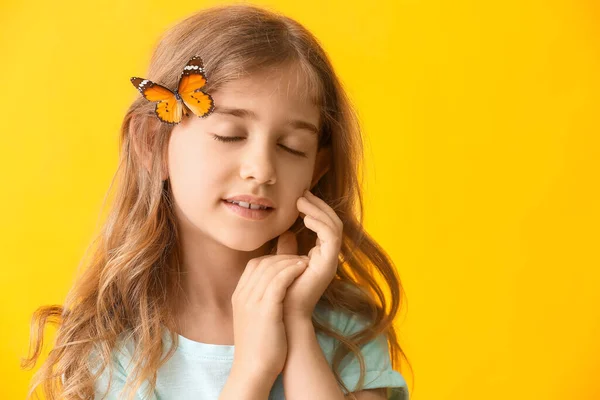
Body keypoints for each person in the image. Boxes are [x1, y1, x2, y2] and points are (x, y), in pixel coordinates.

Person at [22, 4, 412, 400]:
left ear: (317, 169)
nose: (261, 170)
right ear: (152, 144)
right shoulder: (110, 347)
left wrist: (297, 324)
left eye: (291, 147)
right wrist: (252, 372)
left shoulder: (347, 326)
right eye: (229, 134)